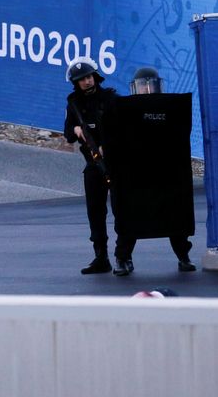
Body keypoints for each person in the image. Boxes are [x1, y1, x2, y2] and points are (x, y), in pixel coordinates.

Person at [123, 66, 196, 272]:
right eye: (142, 85)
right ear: (135, 88)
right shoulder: (127, 111)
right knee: (131, 217)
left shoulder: (170, 108)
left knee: (175, 217)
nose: (147, 89)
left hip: (166, 172)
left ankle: (183, 255)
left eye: (151, 85)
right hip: (138, 174)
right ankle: (124, 257)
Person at [64, 57, 131, 275]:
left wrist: (106, 146)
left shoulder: (110, 99)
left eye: (89, 77)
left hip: (115, 162)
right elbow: (68, 135)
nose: (87, 82)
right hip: (93, 165)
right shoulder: (74, 103)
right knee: (95, 210)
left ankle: (123, 257)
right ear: (76, 82)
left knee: (122, 211)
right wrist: (75, 128)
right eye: (82, 79)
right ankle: (100, 257)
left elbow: (124, 130)